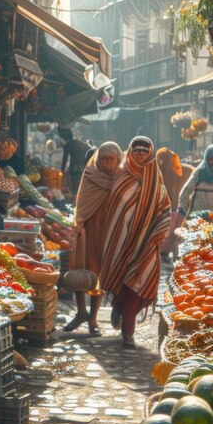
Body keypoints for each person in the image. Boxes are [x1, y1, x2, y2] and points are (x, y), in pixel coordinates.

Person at [99, 136, 172, 348]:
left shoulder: (155, 177)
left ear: (150, 152)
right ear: (130, 151)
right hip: (121, 241)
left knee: (138, 285)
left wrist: (158, 231)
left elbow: (164, 206)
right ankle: (120, 312)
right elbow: (114, 207)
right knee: (125, 283)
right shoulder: (121, 174)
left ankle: (127, 330)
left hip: (148, 241)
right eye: (136, 148)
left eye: (144, 149)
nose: (140, 152)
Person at [64, 142, 122, 335]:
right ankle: (80, 312)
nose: (106, 163)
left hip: (107, 232)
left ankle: (93, 319)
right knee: (80, 269)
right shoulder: (90, 175)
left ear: (117, 160)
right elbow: (82, 202)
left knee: (99, 275)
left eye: (110, 159)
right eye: (103, 158)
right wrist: (79, 223)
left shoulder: (121, 179)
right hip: (87, 229)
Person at [155, 147, 193, 261]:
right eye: (161, 159)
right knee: (166, 237)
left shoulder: (186, 171)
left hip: (180, 210)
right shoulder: (155, 173)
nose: (164, 163)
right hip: (164, 211)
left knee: (179, 236)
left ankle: (176, 259)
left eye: (167, 159)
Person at [178, 144, 213, 216]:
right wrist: (181, 206)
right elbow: (187, 189)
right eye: (210, 157)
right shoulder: (199, 172)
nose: (212, 159)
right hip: (198, 215)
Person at [58, 127, 90, 197]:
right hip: (83, 168)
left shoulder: (68, 145)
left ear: (63, 138)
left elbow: (64, 160)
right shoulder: (78, 143)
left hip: (75, 170)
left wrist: (62, 172)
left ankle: (76, 203)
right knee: (80, 188)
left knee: (75, 190)